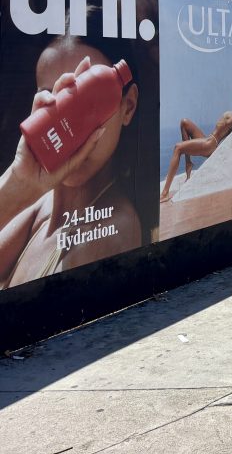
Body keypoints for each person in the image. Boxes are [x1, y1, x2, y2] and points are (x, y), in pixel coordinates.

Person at [0, 39, 143, 289]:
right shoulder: (38, 202)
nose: (70, 128)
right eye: (59, 102)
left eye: (86, 102)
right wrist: (18, 179)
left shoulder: (111, 233)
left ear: (128, 107)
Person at [160, 93, 232, 201]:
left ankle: (165, 193)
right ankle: (188, 163)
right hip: (208, 139)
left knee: (178, 148)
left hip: (210, 144)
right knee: (184, 122)